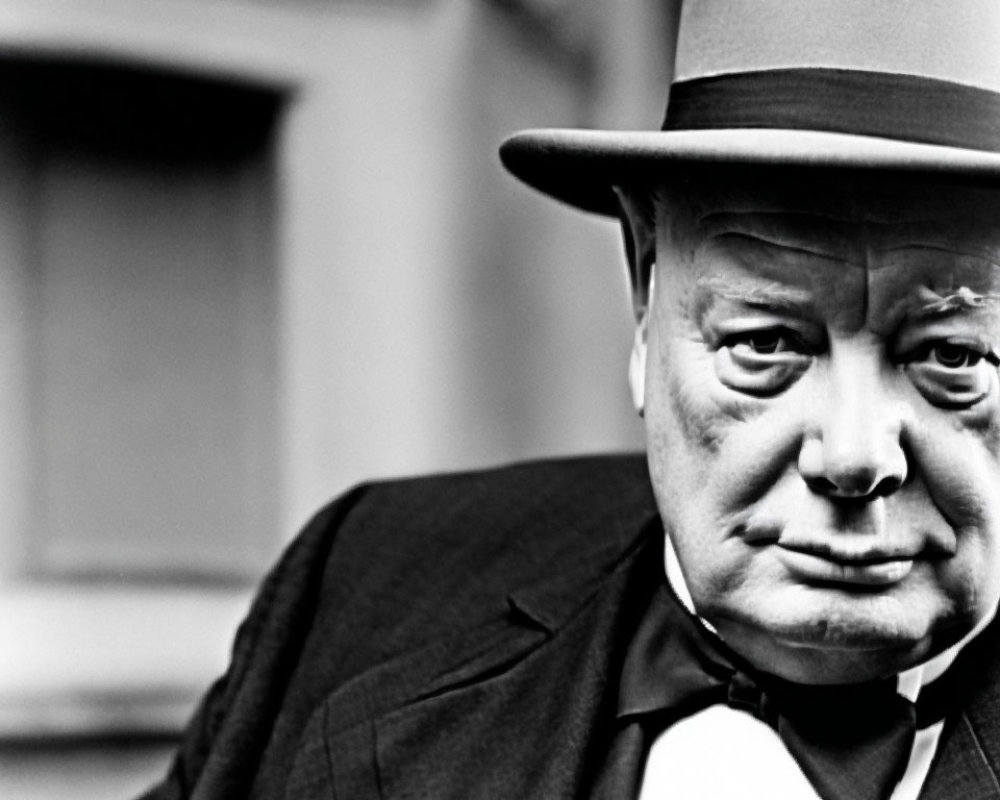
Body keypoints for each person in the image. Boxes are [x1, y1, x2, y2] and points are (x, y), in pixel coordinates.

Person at [140, 1, 1000, 798]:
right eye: (766, 343)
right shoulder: (357, 585)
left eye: (952, 355)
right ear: (642, 287)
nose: (854, 456)